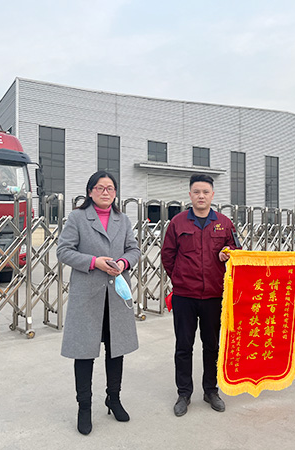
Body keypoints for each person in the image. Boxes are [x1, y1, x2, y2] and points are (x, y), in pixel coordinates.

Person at [57, 170, 141, 435]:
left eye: (110, 188)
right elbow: (64, 251)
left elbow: (134, 249)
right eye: (100, 188)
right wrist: (94, 262)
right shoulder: (78, 218)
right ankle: (84, 407)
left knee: (116, 350)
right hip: (88, 295)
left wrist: (124, 263)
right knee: (84, 352)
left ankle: (113, 399)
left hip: (115, 296)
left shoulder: (122, 219)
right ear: (90, 191)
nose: (106, 192)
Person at [161, 173, 240, 417]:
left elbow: (237, 251)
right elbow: (167, 255)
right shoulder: (178, 222)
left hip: (214, 296)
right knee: (183, 346)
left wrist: (228, 252)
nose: (201, 196)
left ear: (212, 195)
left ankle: (211, 390)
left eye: (205, 192)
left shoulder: (224, 223)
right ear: (190, 195)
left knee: (212, 345)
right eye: (196, 192)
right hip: (185, 295)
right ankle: (184, 393)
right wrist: (179, 278)